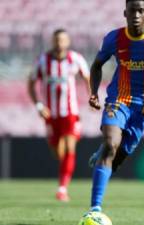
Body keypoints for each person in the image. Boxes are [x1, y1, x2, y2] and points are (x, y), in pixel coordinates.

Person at [87, 0, 144, 213]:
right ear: (125, 13)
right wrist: (93, 93)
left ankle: (104, 152)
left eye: (140, 11)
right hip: (118, 99)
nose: (136, 15)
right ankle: (95, 209)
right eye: (132, 10)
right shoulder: (114, 38)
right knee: (111, 145)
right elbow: (97, 65)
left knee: (119, 157)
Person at [27, 28, 90, 202]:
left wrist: (92, 97)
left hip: (70, 113)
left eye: (62, 40)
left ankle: (62, 188)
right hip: (50, 114)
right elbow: (31, 84)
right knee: (58, 151)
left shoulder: (75, 59)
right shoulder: (42, 61)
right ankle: (65, 172)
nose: (59, 43)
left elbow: (88, 78)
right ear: (52, 42)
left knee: (70, 146)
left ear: (67, 42)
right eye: (56, 40)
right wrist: (39, 105)